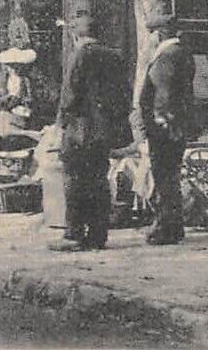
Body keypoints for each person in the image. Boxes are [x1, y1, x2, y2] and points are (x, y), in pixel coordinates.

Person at [53, 13, 124, 252]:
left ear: (75, 35)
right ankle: (97, 234)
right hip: (103, 131)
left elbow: (69, 95)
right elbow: (122, 95)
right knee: (99, 181)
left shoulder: (79, 55)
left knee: (74, 181)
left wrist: (59, 126)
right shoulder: (114, 57)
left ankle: (74, 233)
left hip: (79, 130)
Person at [139, 11, 195, 246]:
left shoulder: (167, 56)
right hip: (175, 126)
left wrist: (163, 120)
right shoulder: (181, 52)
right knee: (171, 177)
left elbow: (164, 93)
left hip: (164, 129)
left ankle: (166, 228)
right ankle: (174, 226)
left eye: (150, 34)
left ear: (158, 34)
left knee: (164, 178)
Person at [0, 48, 36, 137]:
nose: (14, 69)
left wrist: (21, 100)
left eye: (17, 66)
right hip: (2, 110)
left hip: (18, 112)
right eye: (11, 66)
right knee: (1, 118)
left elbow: (30, 99)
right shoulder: (0, 79)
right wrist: (3, 99)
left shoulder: (25, 80)